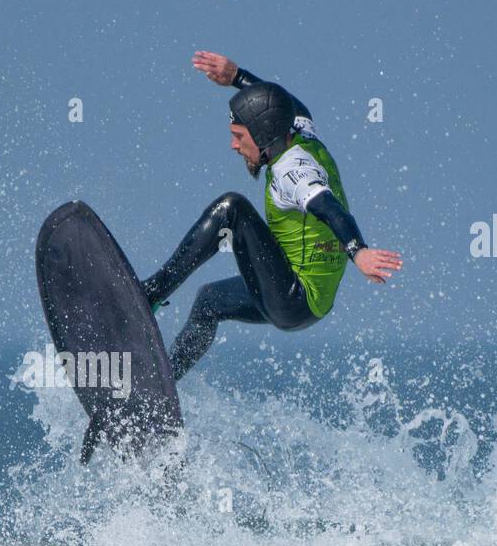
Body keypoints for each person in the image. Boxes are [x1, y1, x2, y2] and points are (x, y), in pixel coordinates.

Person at [140, 51, 403, 380]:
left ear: (263, 137)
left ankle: (152, 292)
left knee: (232, 209)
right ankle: (162, 382)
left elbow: (328, 208)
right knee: (209, 301)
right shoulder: (302, 133)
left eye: (239, 137)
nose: (234, 146)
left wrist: (358, 251)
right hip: (300, 288)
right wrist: (236, 76)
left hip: (296, 298)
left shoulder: (292, 173)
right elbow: (289, 104)